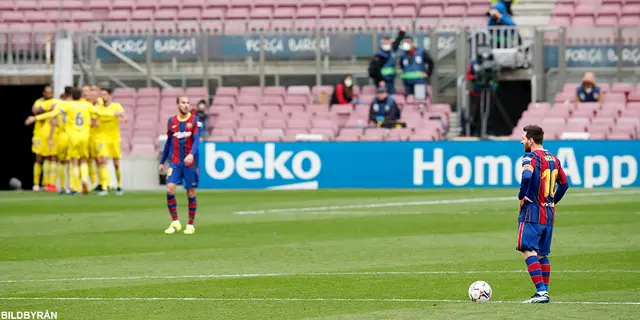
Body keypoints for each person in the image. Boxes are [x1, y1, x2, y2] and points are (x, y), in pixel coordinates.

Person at [25, 88, 122, 195]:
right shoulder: (87, 105)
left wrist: (35, 118)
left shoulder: (67, 105)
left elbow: (52, 114)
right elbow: (100, 112)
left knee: (73, 162)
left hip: (72, 137)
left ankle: (74, 187)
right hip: (84, 136)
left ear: (72, 96)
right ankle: (84, 180)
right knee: (84, 160)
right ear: (81, 96)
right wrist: (114, 113)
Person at [517, 125, 569, 303]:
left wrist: (521, 196)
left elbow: (526, 177)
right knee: (541, 254)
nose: (521, 140)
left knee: (527, 250)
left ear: (531, 140)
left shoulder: (530, 157)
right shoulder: (554, 159)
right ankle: (544, 293)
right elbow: (564, 184)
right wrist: (552, 201)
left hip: (532, 212)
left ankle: (540, 292)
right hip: (548, 213)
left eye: (523, 138)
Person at [159, 95, 203, 235]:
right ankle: (175, 221)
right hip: (175, 162)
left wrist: (191, 154)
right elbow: (168, 142)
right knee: (170, 189)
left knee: (190, 192)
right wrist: (162, 161)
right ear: (177, 104)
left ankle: (190, 224)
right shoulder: (171, 121)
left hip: (190, 163)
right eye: (183, 102)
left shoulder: (195, 120)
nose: (186, 105)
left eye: (188, 103)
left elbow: (196, 140)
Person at [95, 87, 127, 196]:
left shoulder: (116, 106)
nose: (103, 97)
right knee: (103, 161)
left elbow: (123, 116)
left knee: (116, 163)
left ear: (109, 96)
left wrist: (120, 115)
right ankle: (104, 187)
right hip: (102, 138)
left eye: (105, 94)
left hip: (114, 138)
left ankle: (119, 185)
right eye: (101, 94)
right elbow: (94, 117)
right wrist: (113, 114)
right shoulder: (98, 107)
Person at [29, 85, 56, 192]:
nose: (49, 95)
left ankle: (47, 183)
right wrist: (48, 110)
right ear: (43, 93)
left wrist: (43, 111)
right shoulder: (38, 101)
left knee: (50, 158)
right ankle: (36, 183)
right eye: (47, 93)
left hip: (51, 134)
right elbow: (35, 111)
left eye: (51, 93)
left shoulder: (55, 101)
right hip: (39, 134)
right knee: (38, 158)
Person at [368, 28, 406, 94]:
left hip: (390, 80)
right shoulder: (379, 55)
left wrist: (402, 32)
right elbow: (375, 70)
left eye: (388, 42)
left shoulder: (391, 51)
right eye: (385, 42)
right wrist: (381, 80)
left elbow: (397, 41)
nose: (387, 44)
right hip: (382, 81)